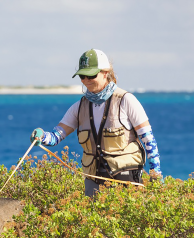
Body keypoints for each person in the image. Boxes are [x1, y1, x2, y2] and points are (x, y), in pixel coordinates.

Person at [31, 49, 162, 197]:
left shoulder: (126, 100)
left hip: (125, 181)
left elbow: (149, 140)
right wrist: (41, 136)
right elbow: (56, 137)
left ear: (105, 73)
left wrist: (155, 176)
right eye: (82, 75)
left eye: (91, 75)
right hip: (93, 182)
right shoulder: (79, 107)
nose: (86, 80)